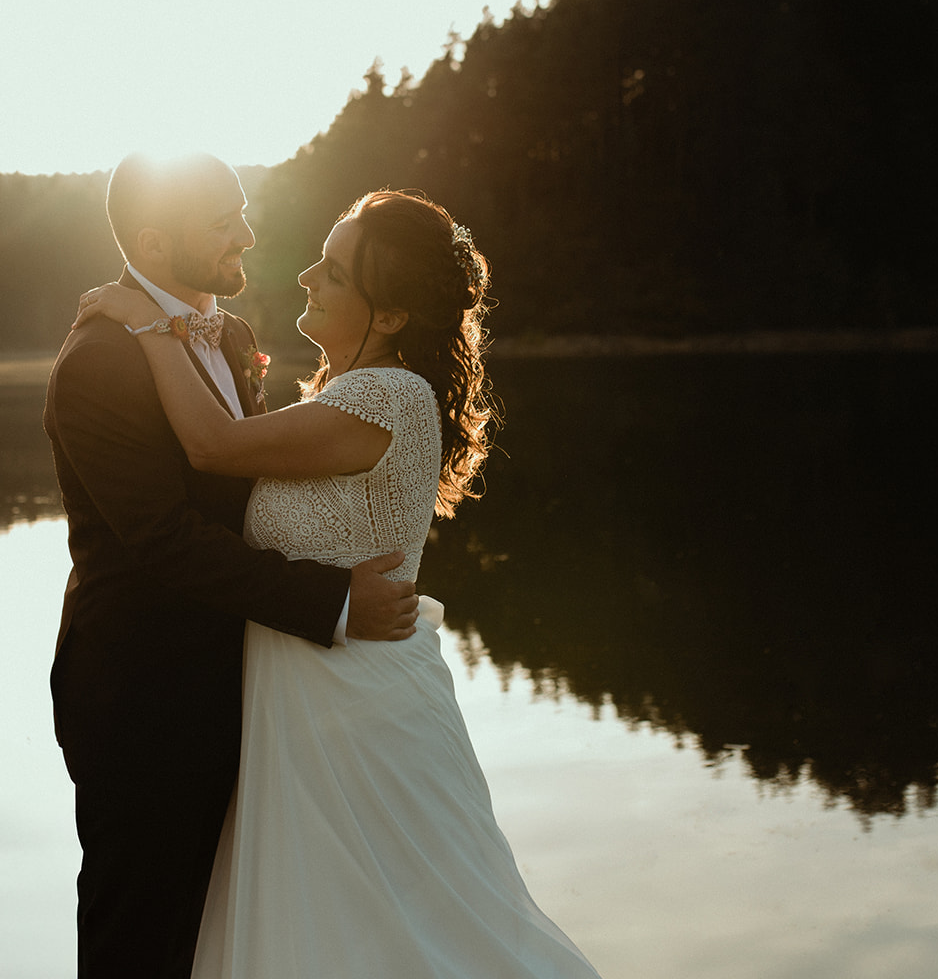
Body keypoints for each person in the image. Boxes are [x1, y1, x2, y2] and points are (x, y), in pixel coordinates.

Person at [73, 189, 603, 977]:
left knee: (413, 938)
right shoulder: (341, 393)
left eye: (334, 271)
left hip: (359, 710)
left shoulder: (384, 395)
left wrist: (150, 325)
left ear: (390, 315)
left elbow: (213, 447)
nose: (306, 277)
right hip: (302, 704)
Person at [42, 152, 421, 979]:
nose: (247, 236)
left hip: (253, 688)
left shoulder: (236, 335)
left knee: (239, 936)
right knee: (140, 944)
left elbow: (252, 486)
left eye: (242, 212)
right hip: (146, 701)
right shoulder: (99, 360)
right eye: (222, 224)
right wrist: (332, 601)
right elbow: (164, 540)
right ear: (153, 241)